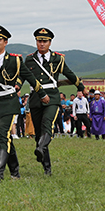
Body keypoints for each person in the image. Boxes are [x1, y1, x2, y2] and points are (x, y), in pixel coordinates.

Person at [0, 25, 40, 181]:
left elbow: (30, 77)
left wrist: (42, 94)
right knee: (6, 139)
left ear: (5, 42)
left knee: (2, 135)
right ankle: (15, 172)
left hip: (9, 102)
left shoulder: (15, 60)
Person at [24, 27, 81, 175]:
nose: (41, 44)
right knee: (39, 134)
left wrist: (80, 86)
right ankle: (46, 168)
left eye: (45, 41)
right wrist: (16, 86)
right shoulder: (30, 59)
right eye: (39, 41)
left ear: (50, 42)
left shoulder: (57, 59)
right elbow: (23, 75)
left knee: (47, 124)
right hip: (36, 97)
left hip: (53, 97)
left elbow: (69, 73)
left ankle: (41, 149)